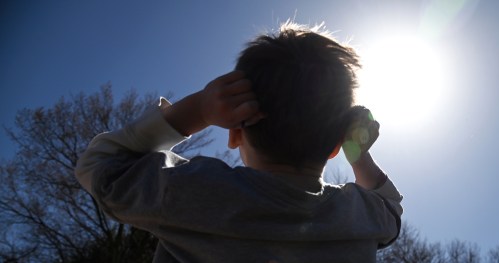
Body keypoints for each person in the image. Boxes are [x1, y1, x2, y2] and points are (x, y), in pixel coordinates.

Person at [75, 23, 403, 263]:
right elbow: (391, 207)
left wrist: (197, 110)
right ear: (334, 146)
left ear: (234, 132)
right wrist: (358, 154)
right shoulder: (358, 216)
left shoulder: (192, 192)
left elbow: (99, 164)